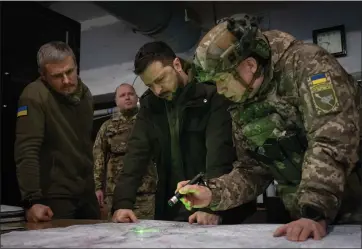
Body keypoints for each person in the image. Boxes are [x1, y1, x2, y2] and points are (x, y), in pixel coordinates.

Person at [176, 14, 362, 241]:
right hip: (307, 220)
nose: (220, 90)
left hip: (345, 210)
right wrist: (212, 194)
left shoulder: (307, 65)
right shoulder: (243, 99)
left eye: (223, 80)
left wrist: (314, 210)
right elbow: (253, 169)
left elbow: (333, 137)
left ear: (250, 65)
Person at [112, 41, 256, 224]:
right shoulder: (150, 106)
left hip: (218, 205)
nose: (157, 90)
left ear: (177, 65)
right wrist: (122, 203)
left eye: (160, 79)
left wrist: (210, 206)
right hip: (173, 205)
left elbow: (219, 154)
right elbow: (135, 154)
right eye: (150, 86)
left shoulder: (211, 94)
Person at [14, 41, 100, 222]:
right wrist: (32, 200)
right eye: (57, 76)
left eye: (69, 71)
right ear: (44, 76)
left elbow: (85, 145)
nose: (67, 80)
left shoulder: (86, 95)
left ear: (76, 66)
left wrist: (96, 188)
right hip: (55, 196)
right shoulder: (34, 95)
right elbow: (27, 149)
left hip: (86, 193)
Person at [93, 83, 157, 220]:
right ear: (116, 101)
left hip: (145, 191)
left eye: (130, 94)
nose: (127, 97)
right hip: (116, 192)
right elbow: (98, 157)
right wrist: (98, 187)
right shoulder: (108, 127)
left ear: (137, 97)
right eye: (122, 95)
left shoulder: (148, 122)